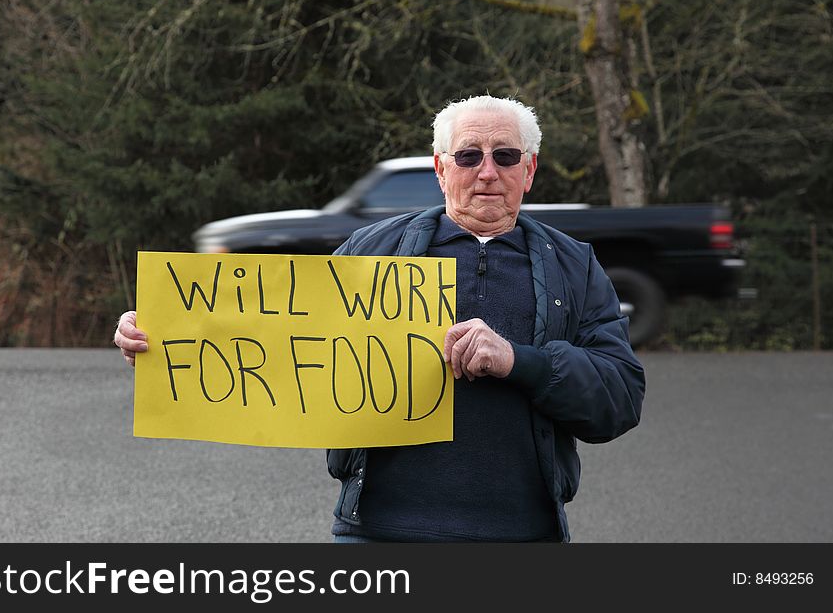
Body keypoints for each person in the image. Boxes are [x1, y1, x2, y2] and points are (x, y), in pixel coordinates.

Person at [114, 94, 645, 542]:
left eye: (505, 156)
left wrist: (519, 362)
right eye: (467, 156)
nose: (487, 172)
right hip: (378, 537)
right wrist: (163, 342)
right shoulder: (370, 251)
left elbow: (618, 399)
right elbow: (279, 353)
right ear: (440, 169)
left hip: (523, 540)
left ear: (529, 171)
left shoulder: (573, 266)